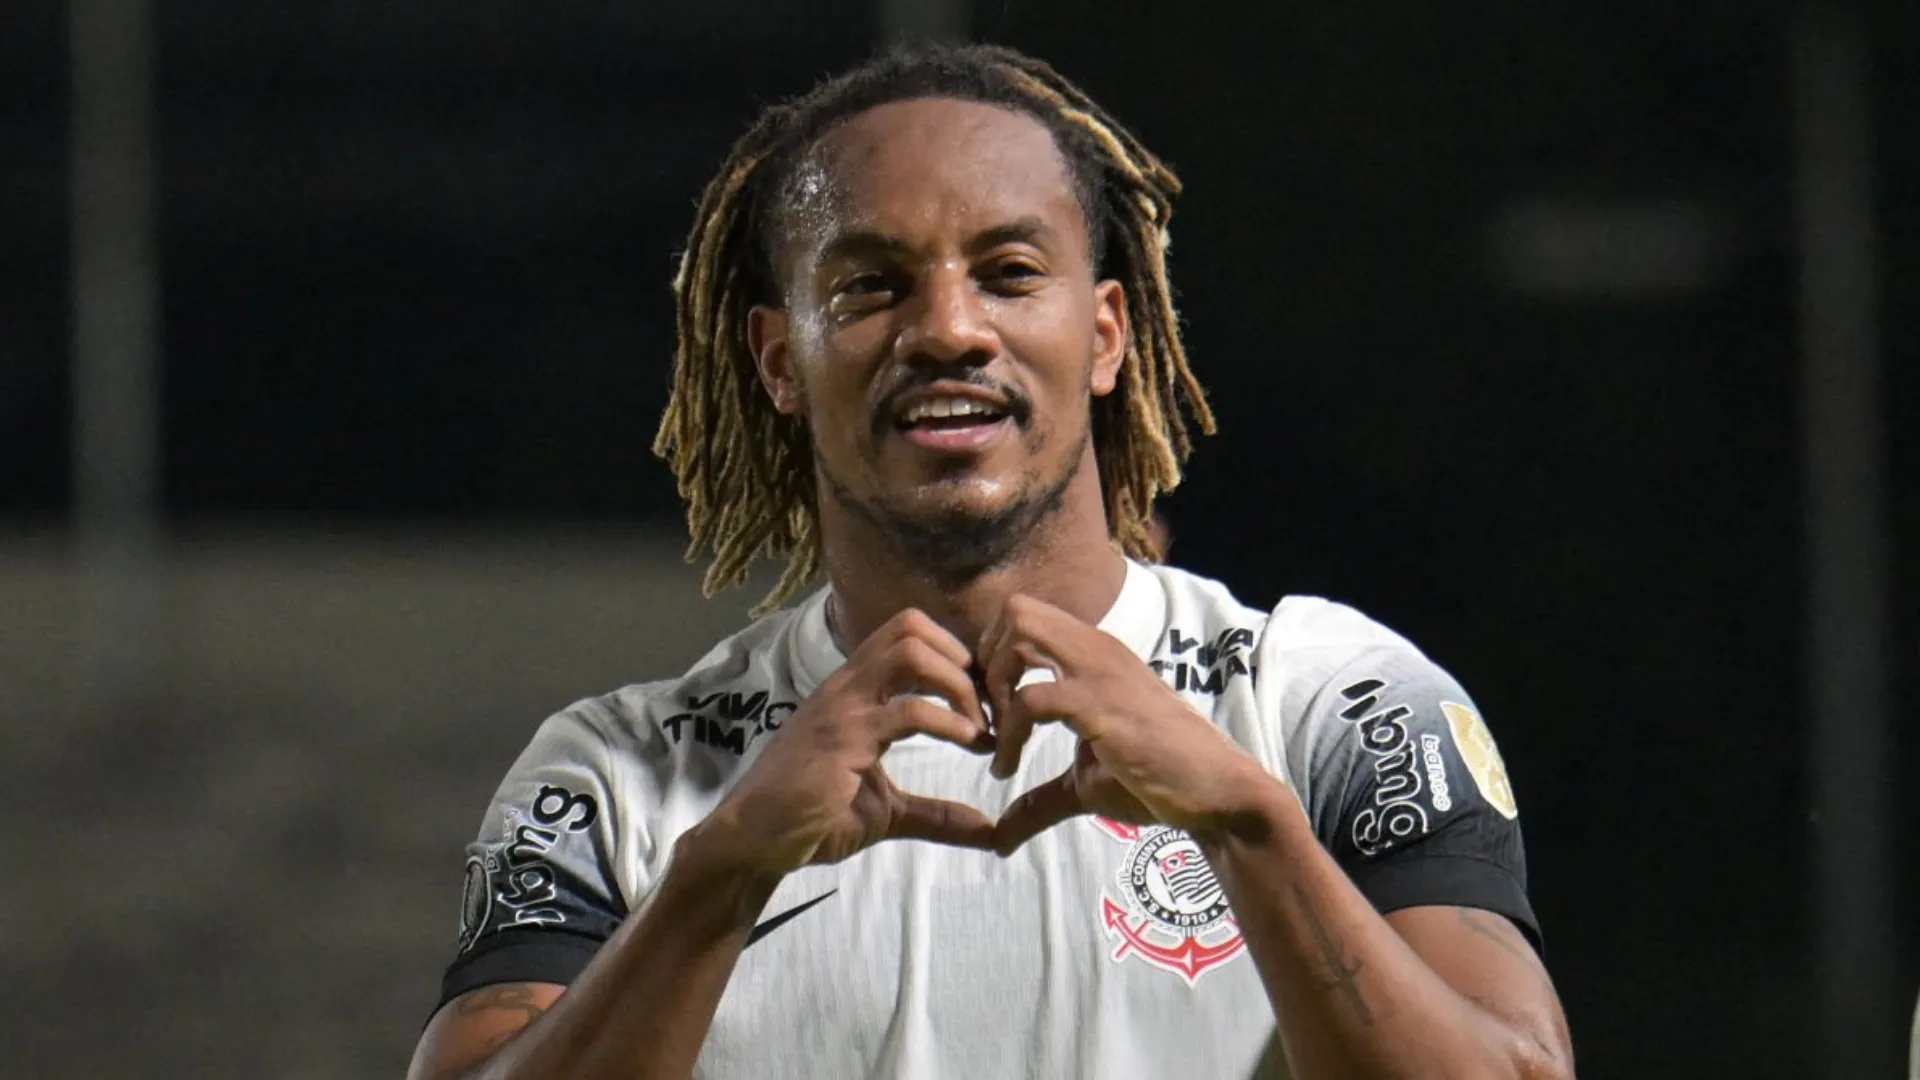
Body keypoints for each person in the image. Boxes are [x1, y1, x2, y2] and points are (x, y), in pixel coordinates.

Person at [406, 43, 1574, 1080]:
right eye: (870, 287)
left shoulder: (1334, 702)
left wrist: (1248, 824)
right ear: (776, 360)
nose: (951, 329)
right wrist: (719, 875)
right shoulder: (618, 776)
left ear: (1107, 333)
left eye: (1010, 273)